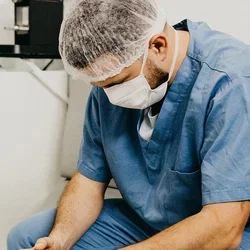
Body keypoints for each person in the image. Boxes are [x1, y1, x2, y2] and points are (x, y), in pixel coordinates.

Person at [7, 0, 250, 249]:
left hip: (229, 228)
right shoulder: (110, 82)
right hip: (147, 220)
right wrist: (59, 239)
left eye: (117, 83)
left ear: (158, 46)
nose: (111, 96)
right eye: (102, 86)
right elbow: (89, 179)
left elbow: (226, 227)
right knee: (26, 238)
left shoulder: (231, 83)